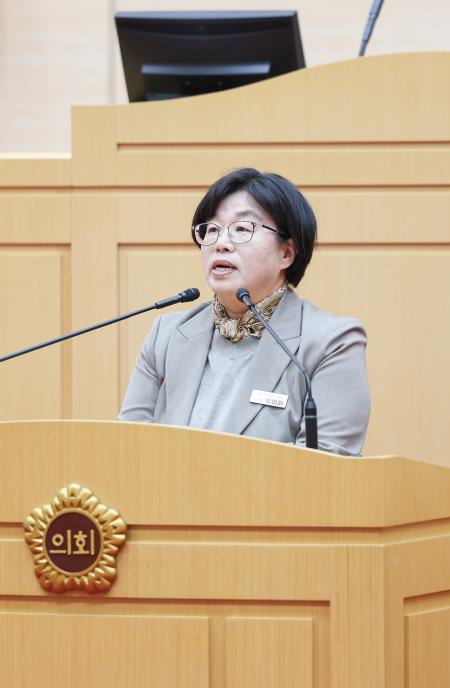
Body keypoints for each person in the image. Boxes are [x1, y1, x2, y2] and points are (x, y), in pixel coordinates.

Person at [118, 168, 370, 455]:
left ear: (286, 253)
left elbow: (327, 466)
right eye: (212, 229)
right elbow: (128, 447)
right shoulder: (167, 336)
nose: (221, 243)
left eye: (242, 229)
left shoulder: (331, 343)